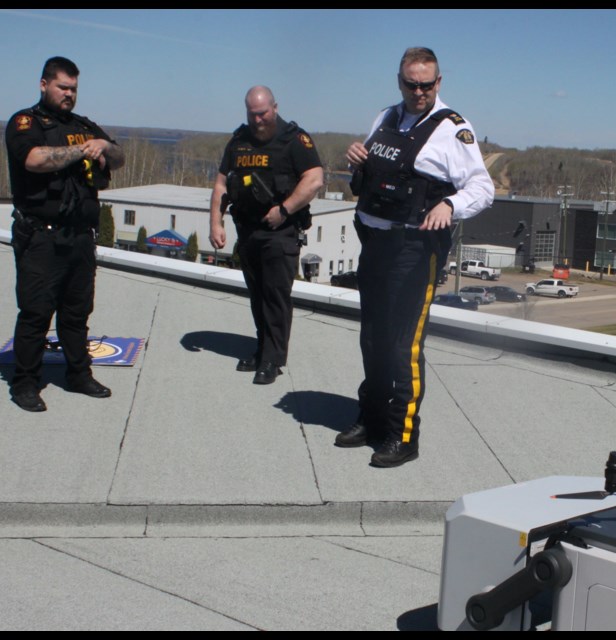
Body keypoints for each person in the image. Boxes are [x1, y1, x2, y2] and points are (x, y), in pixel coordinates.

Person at [336, 47, 494, 467]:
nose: (419, 91)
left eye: (427, 84)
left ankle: (403, 435)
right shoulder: (386, 117)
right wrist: (356, 158)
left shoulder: (453, 130)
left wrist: (450, 206)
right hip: (375, 243)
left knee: (404, 344)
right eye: (411, 83)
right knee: (373, 337)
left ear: (438, 83)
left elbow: (482, 188)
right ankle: (370, 418)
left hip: (416, 248)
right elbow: (372, 176)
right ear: (400, 80)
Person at [5, 56, 125, 412]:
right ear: (44, 85)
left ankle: (78, 375)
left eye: (74, 89)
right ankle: (25, 383)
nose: (69, 94)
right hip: (40, 237)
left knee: (76, 312)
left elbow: (118, 157)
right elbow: (34, 159)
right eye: (63, 87)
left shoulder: (84, 125)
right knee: (36, 313)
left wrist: (104, 147)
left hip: (80, 237)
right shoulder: (25, 122)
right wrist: (81, 151)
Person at [209, 86, 324, 385]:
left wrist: (284, 210)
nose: (258, 119)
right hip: (247, 230)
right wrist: (215, 223)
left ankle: (273, 360)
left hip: (280, 231)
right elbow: (221, 184)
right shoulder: (239, 140)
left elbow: (314, 179)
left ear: (275, 107)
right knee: (257, 294)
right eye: (252, 113)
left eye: (263, 112)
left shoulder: (294, 140)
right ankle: (262, 350)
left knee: (275, 296)